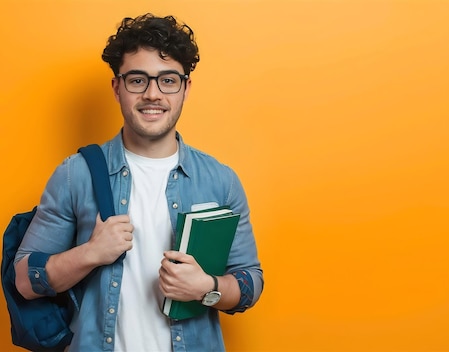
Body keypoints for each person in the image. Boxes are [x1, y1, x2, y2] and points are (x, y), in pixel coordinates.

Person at [14, 13, 263, 352]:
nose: (152, 94)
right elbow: (25, 280)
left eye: (168, 81)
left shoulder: (221, 181)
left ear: (185, 88)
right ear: (117, 88)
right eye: (137, 80)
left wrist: (207, 287)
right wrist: (91, 253)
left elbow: (250, 282)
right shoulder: (76, 174)